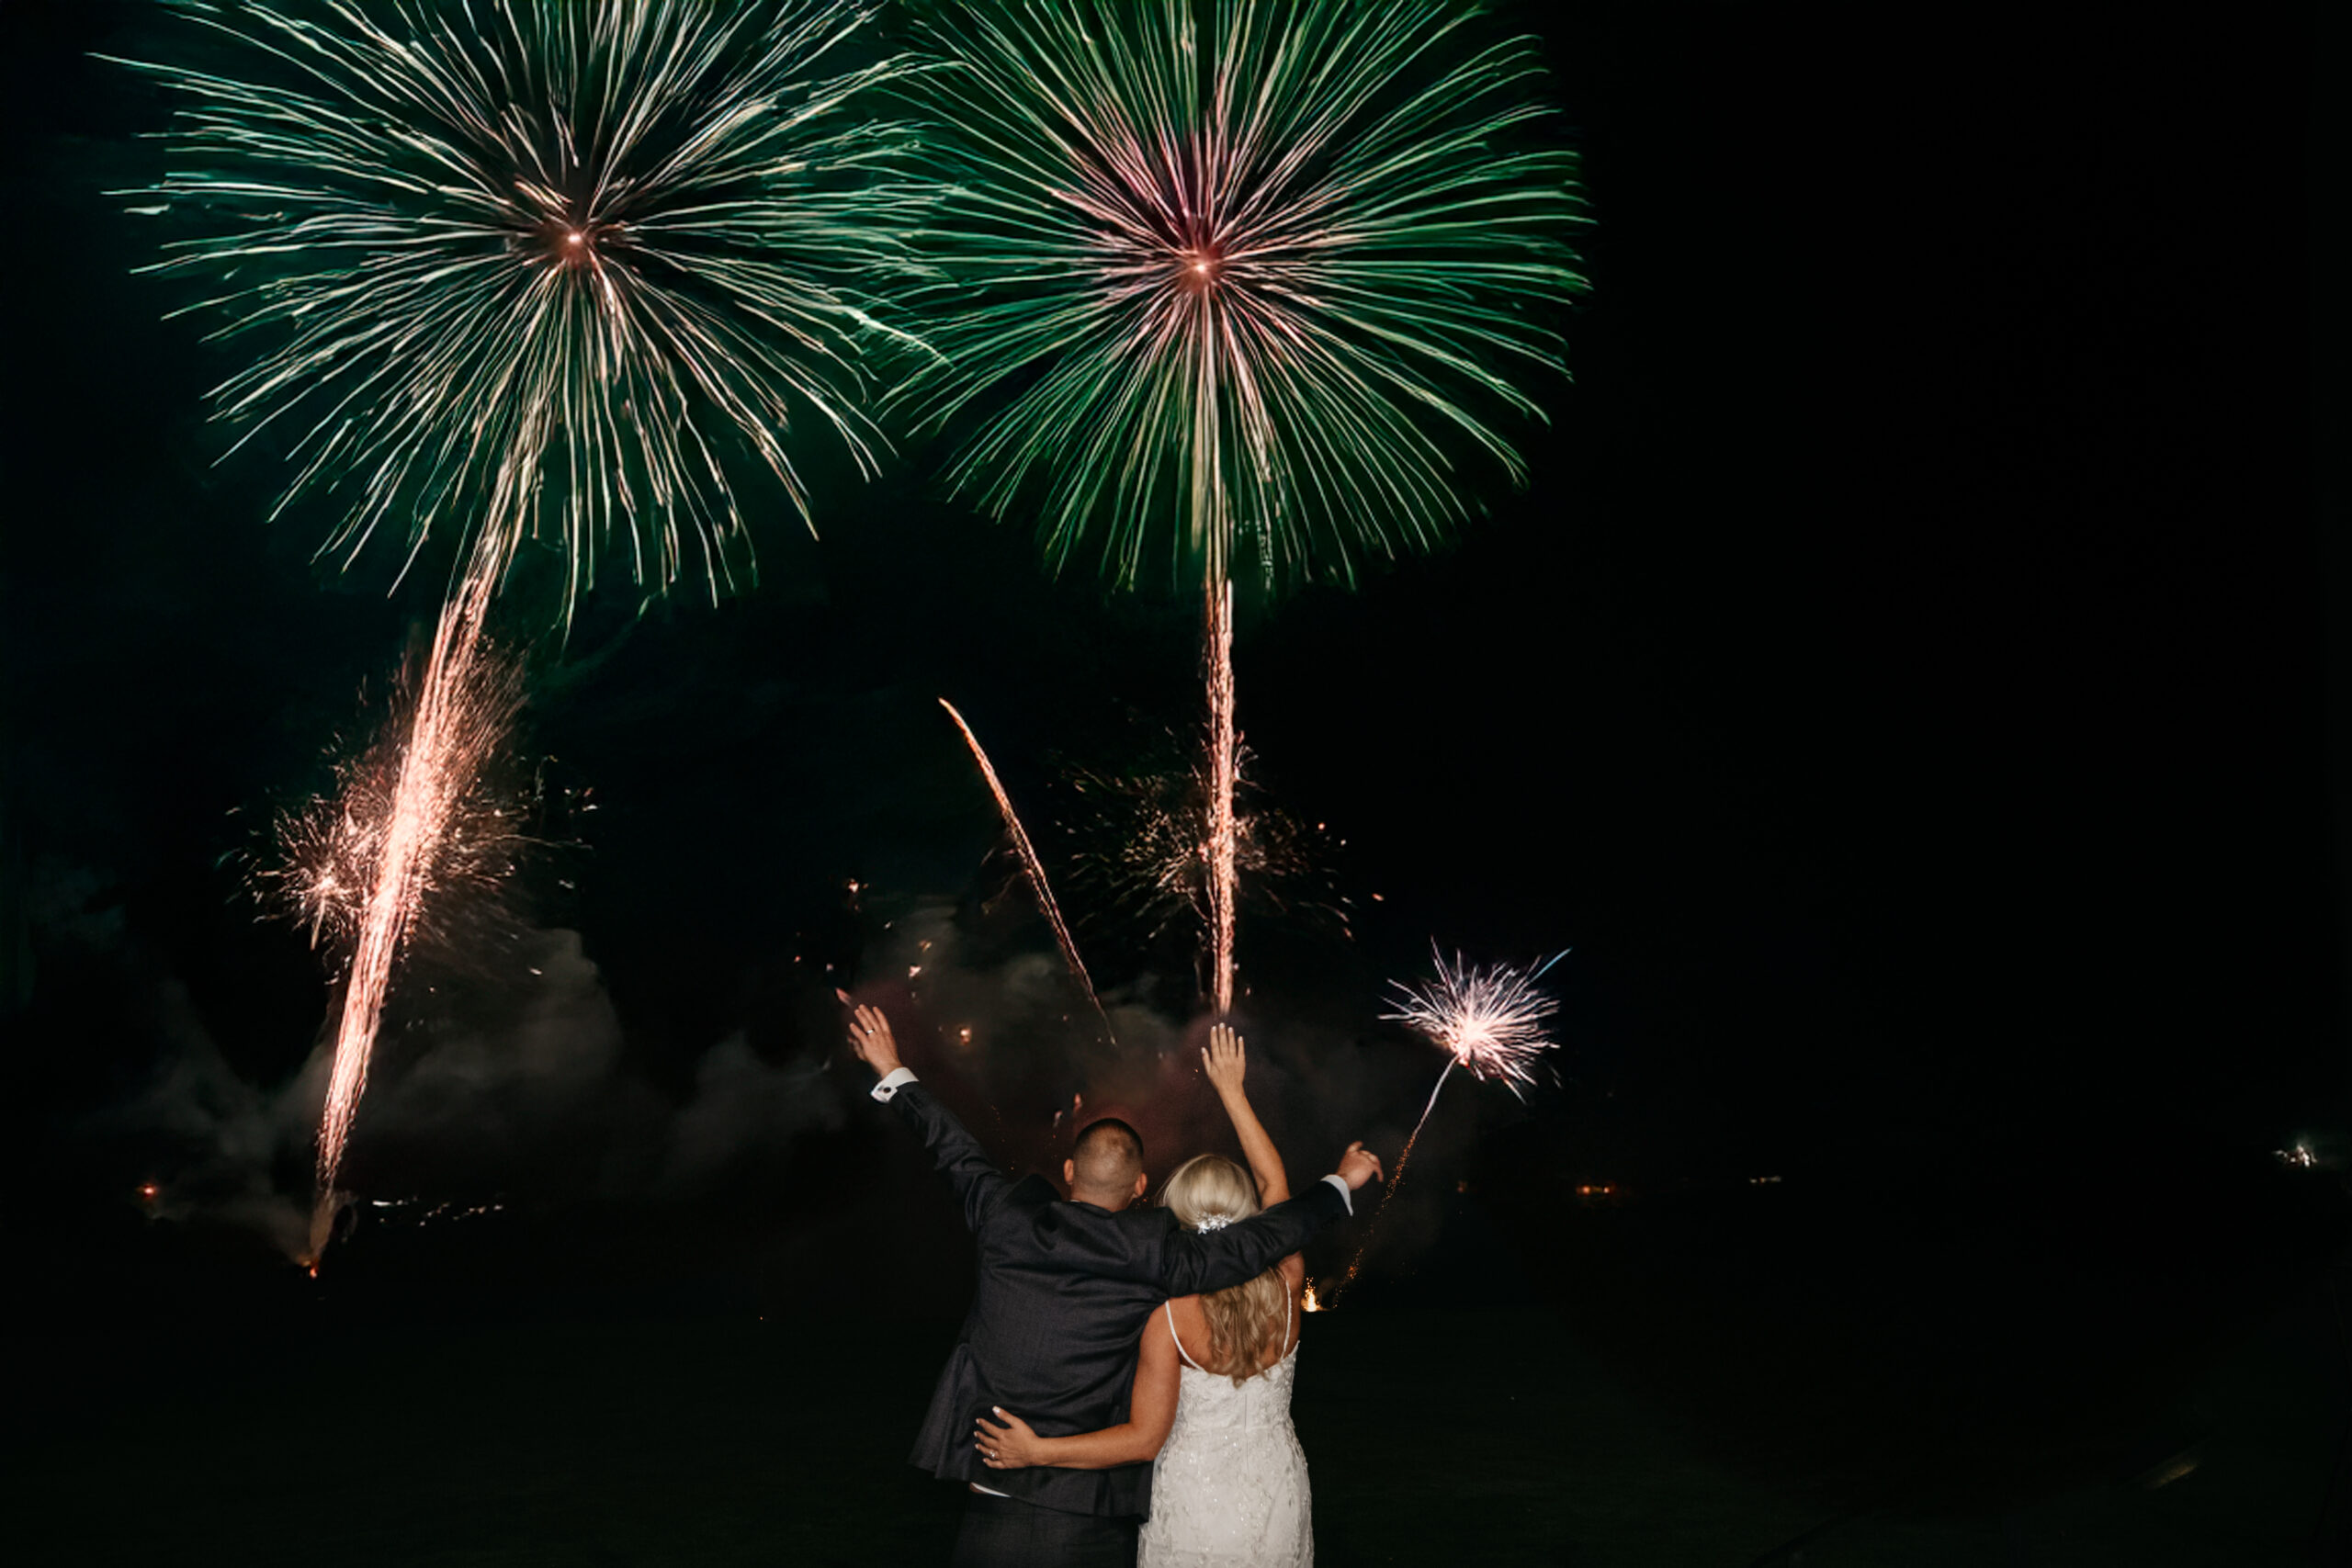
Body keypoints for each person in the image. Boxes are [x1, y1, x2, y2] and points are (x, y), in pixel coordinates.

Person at [845, 1002, 1383, 1568]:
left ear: (1070, 1171)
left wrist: (891, 1068)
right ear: (1139, 1185)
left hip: (999, 1506)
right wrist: (1339, 1183)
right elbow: (1272, 1228)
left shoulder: (1005, 1220)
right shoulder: (1162, 1261)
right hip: (1122, 1516)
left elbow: (951, 1149)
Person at [974, 1024, 1316, 1566]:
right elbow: (1280, 1198)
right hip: (1278, 1494)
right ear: (1253, 1221)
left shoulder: (1171, 1317)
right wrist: (1233, 1092)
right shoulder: (1286, 1283)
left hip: (1192, 1504)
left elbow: (1141, 1439)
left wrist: (1037, 1451)